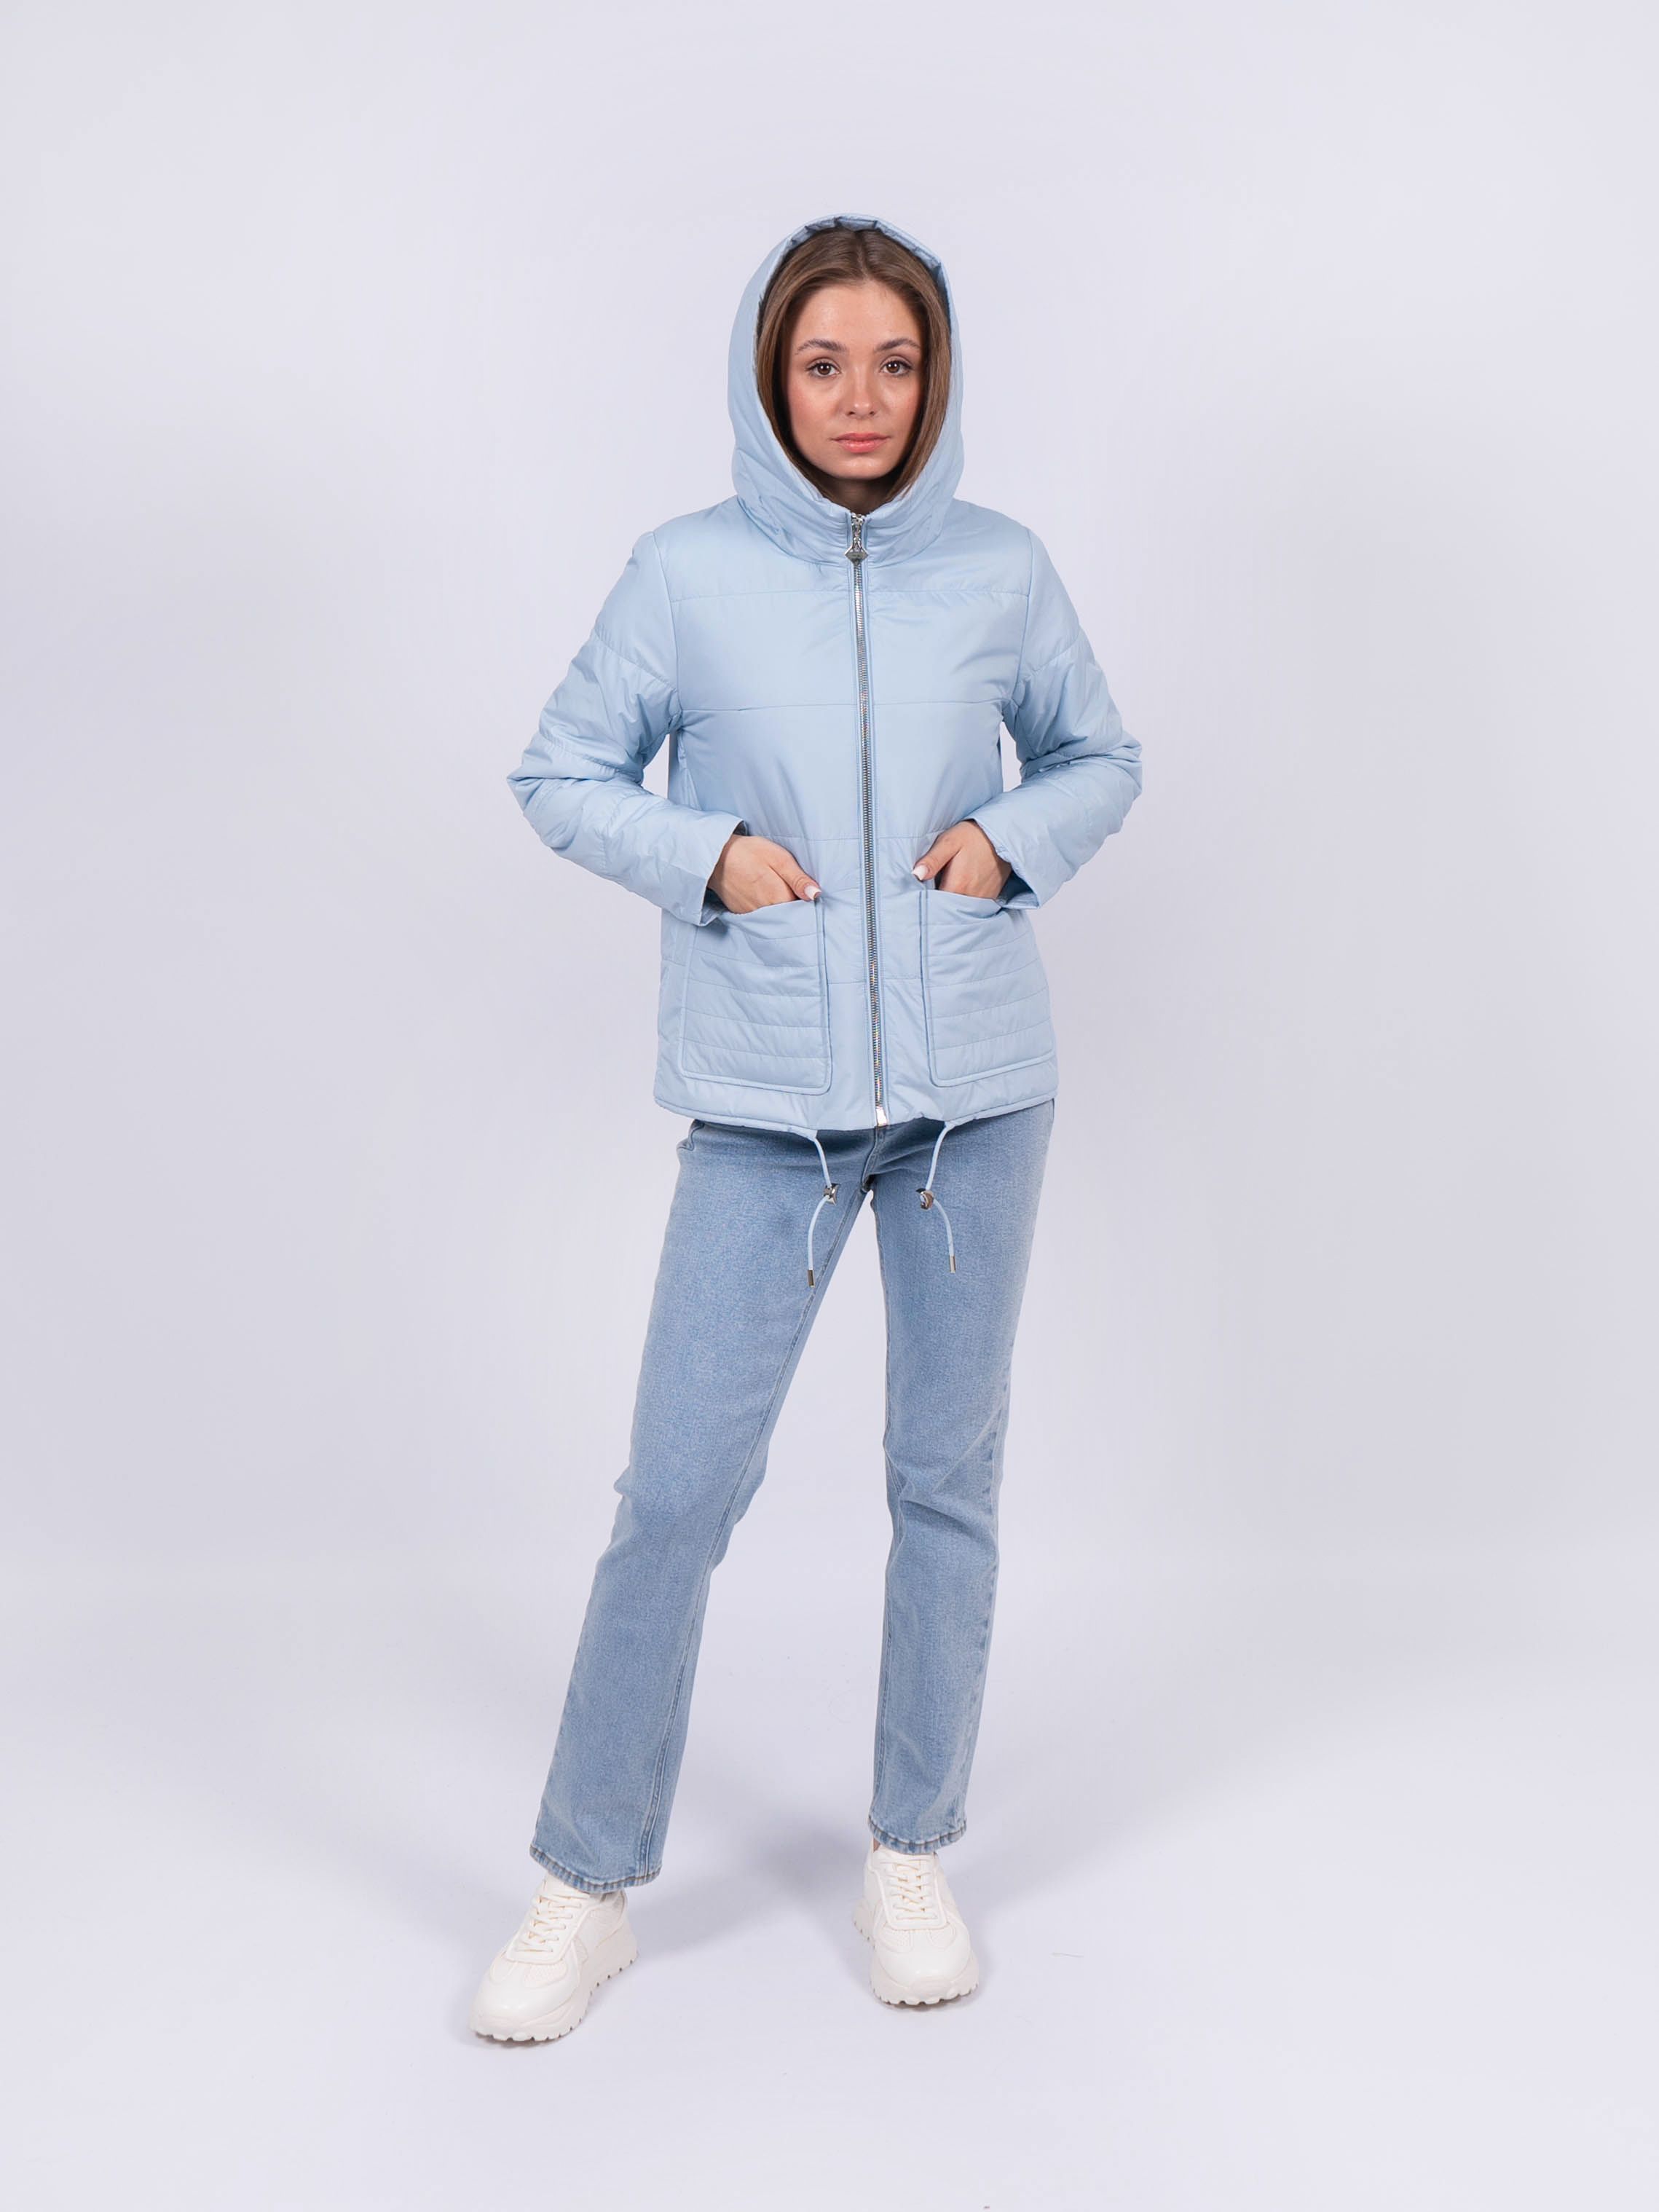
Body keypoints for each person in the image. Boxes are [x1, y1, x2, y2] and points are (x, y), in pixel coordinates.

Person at [470, 211, 1142, 2043]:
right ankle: (584, 1882)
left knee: (945, 1482)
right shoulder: (683, 574)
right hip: (765, 1105)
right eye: (824, 362)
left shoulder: (999, 569)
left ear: (935, 379)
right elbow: (557, 771)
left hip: (971, 1102)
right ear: (770, 379)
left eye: (894, 363)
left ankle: (907, 1849)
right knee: (676, 1490)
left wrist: (1010, 839)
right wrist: (707, 856)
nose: (861, 397)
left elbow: (1099, 755)